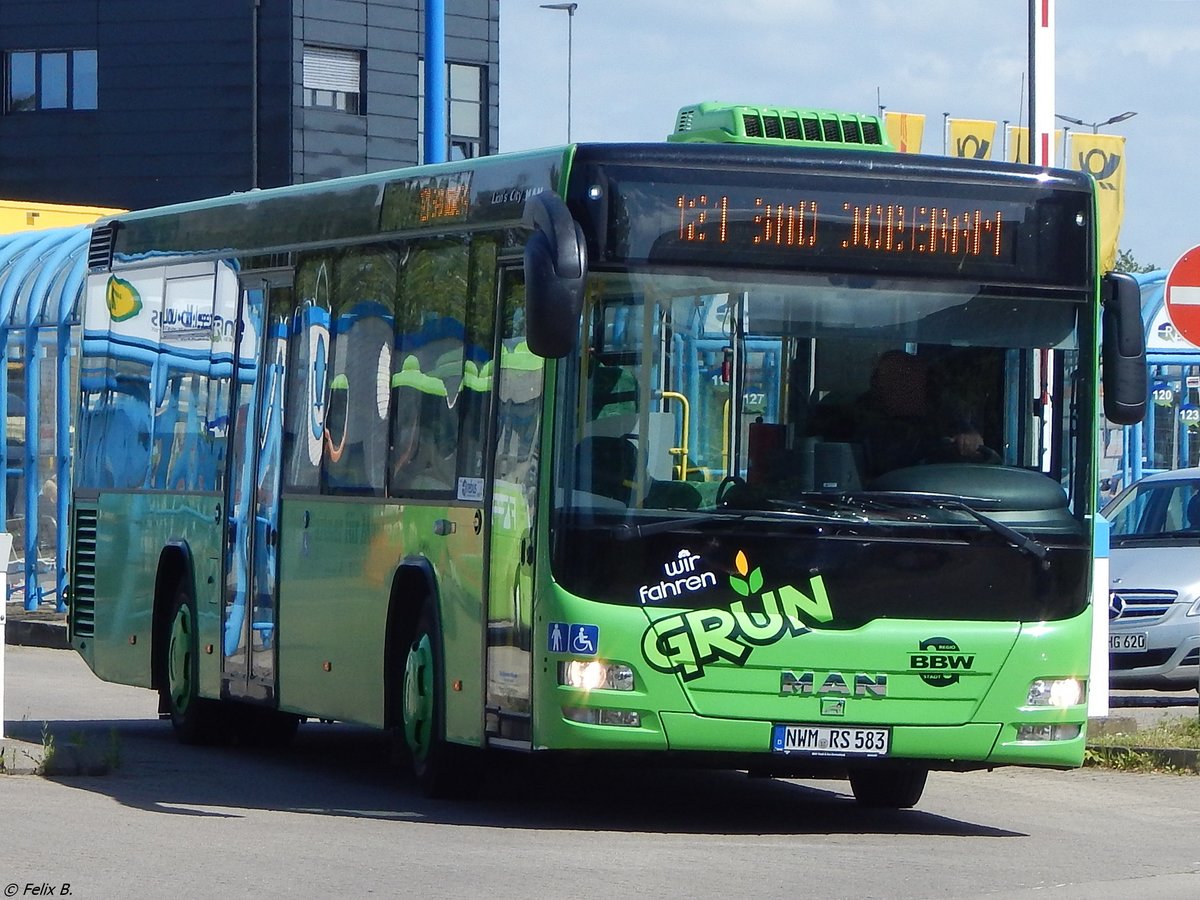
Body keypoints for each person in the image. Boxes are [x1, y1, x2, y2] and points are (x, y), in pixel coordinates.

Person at [857, 350, 993, 478]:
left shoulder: (944, 418)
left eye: (906, 378)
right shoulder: (859, 418)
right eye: (890, 379)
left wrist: (970, 442)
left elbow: (973, 443)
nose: (902, 386)